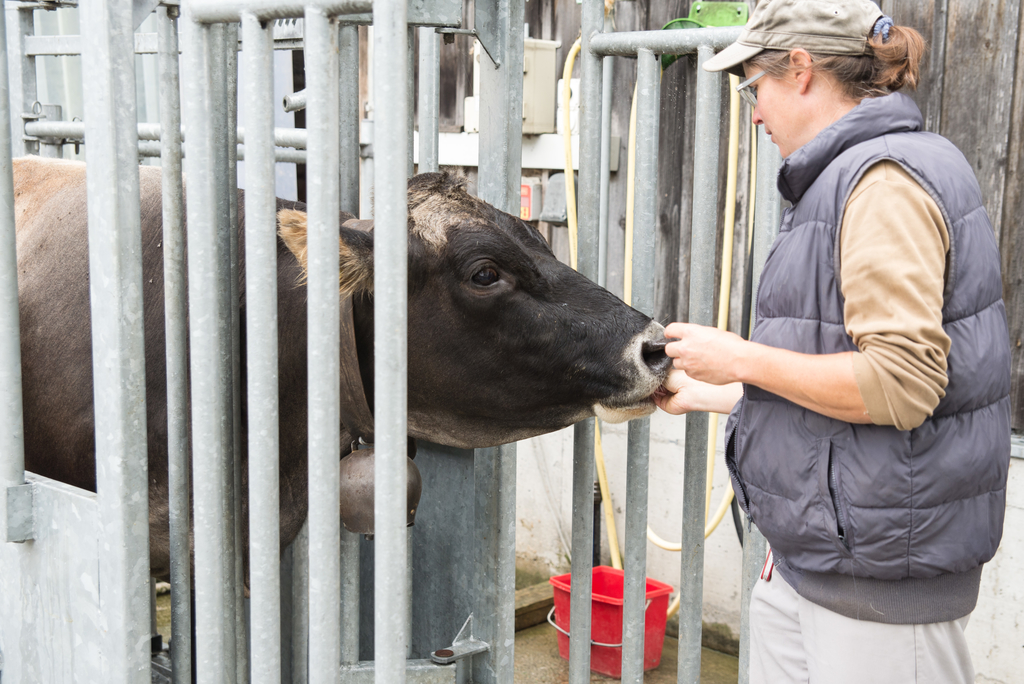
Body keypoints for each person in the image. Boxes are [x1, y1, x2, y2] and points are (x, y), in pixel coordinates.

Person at [654, 1, 1012, 682]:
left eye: (753, 84)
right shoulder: (840, 176)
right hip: (818, 559)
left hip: (878, 585)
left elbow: (901, 386)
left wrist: (742, 356)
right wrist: (722, 392)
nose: (753, 111)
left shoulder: (882, 182)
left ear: (800, 68)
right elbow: (831, 379)